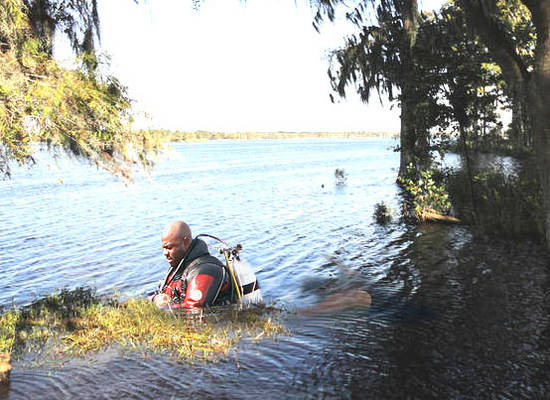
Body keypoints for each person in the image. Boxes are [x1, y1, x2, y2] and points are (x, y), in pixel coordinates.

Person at [150, 221, 235, 310]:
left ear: (186, 242)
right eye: (163, 248)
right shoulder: (178, 266)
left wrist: (162, 307)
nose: (165, 253)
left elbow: (193, 309)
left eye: (169, 248)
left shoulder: (205, 270)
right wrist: (154, 298)